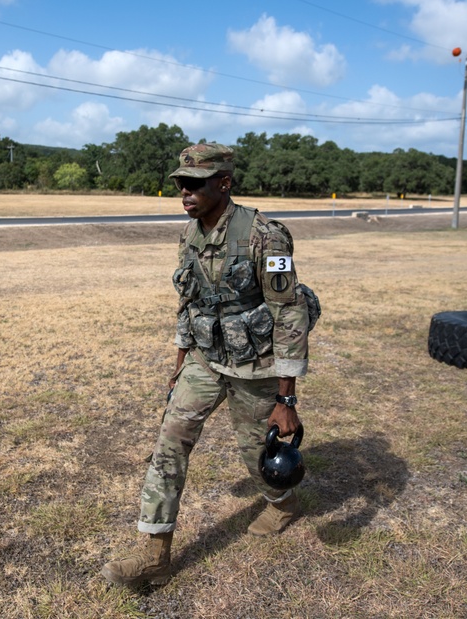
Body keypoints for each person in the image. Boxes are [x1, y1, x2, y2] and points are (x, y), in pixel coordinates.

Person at [101, 143, 311, 588]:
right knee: (170, 443)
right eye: (181, 184)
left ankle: (283, 502)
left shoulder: (266, 236)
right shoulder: (190, 233)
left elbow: (289, 312)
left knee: (257, 456)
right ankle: (155, 555)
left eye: (195, 184)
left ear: (224, 183)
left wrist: (286, 397)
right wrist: (180, 357)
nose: (186, 192)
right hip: (205, 358)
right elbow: (188, 298)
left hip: (256, 365)